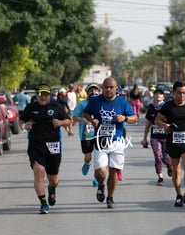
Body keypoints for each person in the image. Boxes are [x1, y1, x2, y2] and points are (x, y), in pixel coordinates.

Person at [83, 77, 137, 209]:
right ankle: (101, 185)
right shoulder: (95, 101)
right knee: (101, 172)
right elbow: (86, 112)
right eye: (106, 87)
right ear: (102, 88)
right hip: (100, 141)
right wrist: (92, 120)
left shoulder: (122, 103)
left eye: (111, 87)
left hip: (117, 141)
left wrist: (124, 118)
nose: (108, 90)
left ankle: (110, 197)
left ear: (116, 88)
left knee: (113, 171)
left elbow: (135, 118)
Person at [19, 83, 72, 214]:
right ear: (36, 95)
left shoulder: (56, 106)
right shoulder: (31, 107)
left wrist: (60, 123)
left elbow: (68, 121)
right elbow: (21, 121)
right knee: (39, 171)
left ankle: (52, 189)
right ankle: (43, 203)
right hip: (36, 145)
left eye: (46, 94)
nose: (43, 97)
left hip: (53, 146)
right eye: (40, 94)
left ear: (49, 95)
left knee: (53, 179)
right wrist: (24, 126)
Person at [155, 81, 185, 208]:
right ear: (174, 93)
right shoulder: (168, 106)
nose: (182, 96)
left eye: (184, 93)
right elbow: (157, 120)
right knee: (176, 169)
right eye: (179, 93)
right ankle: (179, 195)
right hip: (173, 141)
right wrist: (164, 125)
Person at [141, 88, 172, 186]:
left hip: (166, 137)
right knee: (158, 157)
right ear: (153, 96)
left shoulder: (167, 107)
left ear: (163, 96)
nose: (158, 95)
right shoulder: (151, 108)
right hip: (155, 137)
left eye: (160, 94)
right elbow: (148, 124)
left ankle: (169, 166)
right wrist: (145, 138)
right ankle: (160, 177)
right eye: (156, 94)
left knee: (165, 157)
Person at [72, 83, 100, 187]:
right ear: (87, 93)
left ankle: (96, 178)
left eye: (95, 90)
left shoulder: (101, 103)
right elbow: (74, 117)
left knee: (99, 157)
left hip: (99, 134)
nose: (93, 92)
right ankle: (87, 163)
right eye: (91, 91)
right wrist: (83, 119)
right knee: (88, 157)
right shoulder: (82, 104)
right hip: (86, 134)